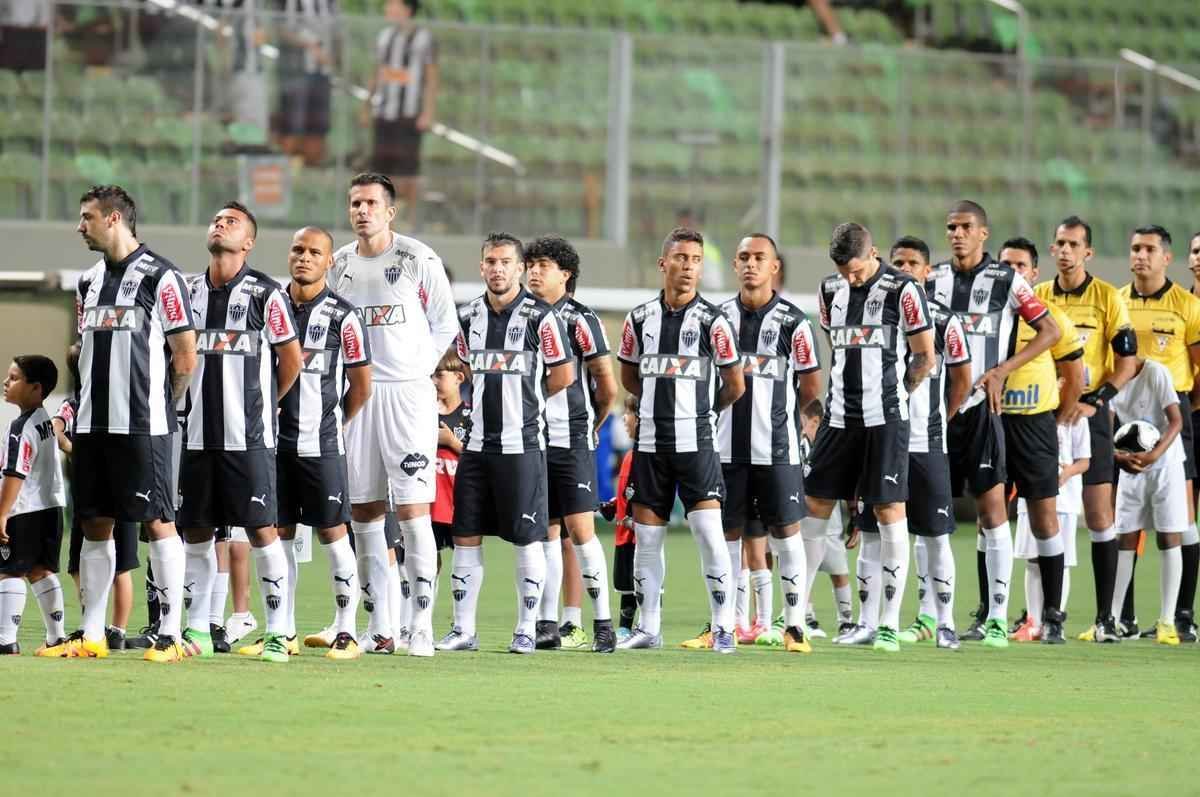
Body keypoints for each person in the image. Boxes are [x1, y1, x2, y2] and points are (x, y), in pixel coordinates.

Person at [55, 185, 198, 662]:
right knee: (95, 524)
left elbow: (184, 357)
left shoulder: (163, 278)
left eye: (87, 218)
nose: (80, 227)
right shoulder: (86, 282)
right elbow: (82, 353)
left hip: (145, 427)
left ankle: (171, 635)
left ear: (114, 218)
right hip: (95, 428)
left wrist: (163, 410)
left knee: (158, 523)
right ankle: (92, 634)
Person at [331, 172, 457, 656]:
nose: (361, 211)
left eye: (370, 204)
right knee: (363, 510)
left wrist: (414, 372)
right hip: (358, 397)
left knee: (412, 509)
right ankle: (381, 626)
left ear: (390, 211)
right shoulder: (339, 264)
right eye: (354, 203)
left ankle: (419, 624)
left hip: (405, 396)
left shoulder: (416, 258)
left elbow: (446, 324)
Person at [925, 201, 1060, 648]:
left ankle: (998, 618)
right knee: (931, 515)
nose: (957, 234)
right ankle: (933, 617)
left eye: (966, 227)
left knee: (992, 514)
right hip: (938, 412)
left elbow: (1050, 332)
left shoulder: (1007, 280)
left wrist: (1002, 369)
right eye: (951, 228)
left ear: (983, 234)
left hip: (982, 410)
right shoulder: (933, 281)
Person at [177, 201, 302, 664]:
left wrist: (265, 404)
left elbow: (291, 361)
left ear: (247, 242)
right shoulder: (187, 292)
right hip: (197, 436)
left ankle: (277, 632)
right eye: (215, 219)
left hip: (248, 438)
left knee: (262, 531)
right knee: (197, 533)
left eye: (230, 222)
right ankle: (199, 630)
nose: (219, 224)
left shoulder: (267, 295)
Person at [438, 233, 574, 654]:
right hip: (476, 448)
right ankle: (463, 630)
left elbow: (562, 375)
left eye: (505, 262)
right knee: (465, 536)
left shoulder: (541, 318)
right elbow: (467, 366)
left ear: (519, 269)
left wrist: (523, 404)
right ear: (482, 268)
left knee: (528, 539)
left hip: (523, 447)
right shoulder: (467, 317)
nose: (497, 269)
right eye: (490, 262)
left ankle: (526, 628)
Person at [802, 223, 934, 653]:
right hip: (839, 419)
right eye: (844, 272)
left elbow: (924, 356)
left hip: (885, 419)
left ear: (874, 253)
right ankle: (794, 618)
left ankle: (889, 624)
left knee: (889, 509)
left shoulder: (903, 291)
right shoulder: (828, 291)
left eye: (857, 271)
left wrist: (895, 395)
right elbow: (835, 348)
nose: (851, 279)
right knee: (814, 504)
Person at [616, 227, 745, 653]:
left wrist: (703, 414)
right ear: (663, 264)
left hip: (697, 444)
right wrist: (645, 407)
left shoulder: (714, 321)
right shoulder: (639, 319)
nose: (688, 267)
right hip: (650, 445)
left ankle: (724, 625)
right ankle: (649, 628)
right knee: (647, 540)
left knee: (709, 533)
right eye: (680, 258)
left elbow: (734, 385)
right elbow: (629, 375)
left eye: (695, 260)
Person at [705, 233, 819, 651]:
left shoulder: (794, 323)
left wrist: (777, 418)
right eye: (743, 258)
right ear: (734, 266)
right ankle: (729, 624)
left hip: (778, 449)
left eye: (759, 258)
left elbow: (810, 387)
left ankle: (793, 626)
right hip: (725, 449)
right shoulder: (716, 320)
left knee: (786, 533)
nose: (750, 264)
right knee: (728, 536)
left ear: (775, 267)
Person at [860, 236, 973, 650]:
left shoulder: (945, 321)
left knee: (935, 534)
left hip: (927, 440)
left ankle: (944, 622)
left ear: (928, 272)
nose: (904, 269)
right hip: (885, 438)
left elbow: (962, 378)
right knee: (873, 534)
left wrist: (943, 416)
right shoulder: (875, 315)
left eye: (912, 263)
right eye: (897, 262)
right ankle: (868, 622)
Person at [1035, 216, 1139, 644]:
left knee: (1098, 515)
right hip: (1042, 413)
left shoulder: (1108, 299)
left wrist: (1097, 400)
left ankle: (1104, 618)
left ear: (1088, 252)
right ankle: (1048, 616)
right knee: (1040, 515)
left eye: (1073, 244)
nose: (1064, 250)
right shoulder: (1038, 296)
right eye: (1059, 242)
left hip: (1090, 415)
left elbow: (1127, 362)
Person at [273, 226, 372, 660]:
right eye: (297, 249)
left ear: (330, 261)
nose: (304, 257)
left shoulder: (343, 317)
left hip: (322, 444)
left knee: (333, 533)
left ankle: (347, 632)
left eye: (315, 252)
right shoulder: (268, 307)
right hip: (273, 445)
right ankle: (284, 630)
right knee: (277, 536)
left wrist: (332, 421)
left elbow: (361, 386)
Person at [524, 235, 618, 653]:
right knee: (544, 532)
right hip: (531, 439)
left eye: (544, 264)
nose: (534, 271)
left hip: (571, 437)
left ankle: (601, 622)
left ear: (566, 274)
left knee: (581, 530)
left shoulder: (581, 319)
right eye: (531, 264)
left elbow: (606, 385)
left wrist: (589, 425)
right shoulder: (520, 316)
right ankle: (546, 623)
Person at [992, 238, 1084, 646]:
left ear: (1034, 274)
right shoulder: (987, 316)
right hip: (992, 423)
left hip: (1033, 425)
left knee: (1045, 518)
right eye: (1005, 266)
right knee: (989, 517)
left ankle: (1053, 614)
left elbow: (1074, 369)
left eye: (1020, 266)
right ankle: (989, 613)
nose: (1012, 273)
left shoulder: (1053, 319)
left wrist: (1062, 414)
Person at [1117, 225, 1200, 640]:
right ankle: (1123, 617)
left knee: (1180, 522)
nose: (1140, 256)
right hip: (1124, 413)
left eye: (1149, 249)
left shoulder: (1187, 305)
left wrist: (1187, 410)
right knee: (1127, 522)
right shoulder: (1115, 302)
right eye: (1135, 249)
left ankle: (1180, 616)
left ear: (1166, 258)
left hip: (1173, 414)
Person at [53, 344, 139, 651]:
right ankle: (93, 620)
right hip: (89, 488)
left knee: (121, 566)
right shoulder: (75, 402)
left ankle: (116, 628)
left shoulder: (123, 395)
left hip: (119, 486)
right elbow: (56, 427)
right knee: (79, 563)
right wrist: (76, 451)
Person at [1109, 357, 1188, 645]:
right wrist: (1117, 456)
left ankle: (1167, 621)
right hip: (1131, 464)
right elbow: (1106, 425)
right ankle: (1112, 620)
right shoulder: (1110, 375)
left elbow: (1176, 420)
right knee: (1124, 539)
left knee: (1169, 538)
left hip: (1166, 465)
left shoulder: (1155, 372)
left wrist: (1154, 456)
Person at [0, 356, 66, 655]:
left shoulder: (21, 426)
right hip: (51, 509)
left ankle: (6, 640)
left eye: (14, 378)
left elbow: (16, 472)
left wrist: (2, 514)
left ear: (35, 388)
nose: (6, 382)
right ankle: (56, 637)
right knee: (41, 570)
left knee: (9, 572)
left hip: (23, 510)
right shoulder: (45, 422)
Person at [1011, 408, 1089, 641]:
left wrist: (1067, 473)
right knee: (1033, 559)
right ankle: (1033, 621)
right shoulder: (1030, 411)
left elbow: (1085, 461)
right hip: (1032, 491)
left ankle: (1054, 620)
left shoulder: (1077, 416)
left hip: (1065, 498)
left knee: (1060, 561)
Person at [367, 0, 438, 230]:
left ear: (407, 9)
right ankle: (387, 222)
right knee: (382, 171)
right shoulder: (384, 36)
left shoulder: (423, 38)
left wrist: (427, 111)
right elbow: (377, 72)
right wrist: (368, 104)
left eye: (392, 4)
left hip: (409, 114)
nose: (388, 9)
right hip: (384, 112)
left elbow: (431, 76)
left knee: (409, 171)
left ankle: (412, 220)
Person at [275, 0, 338, 166]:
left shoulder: (330, 4)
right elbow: (281, 29)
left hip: (323, 72)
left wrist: (334, 58)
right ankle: (286, 171)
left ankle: (310, 175)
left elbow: (337, 31)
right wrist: (310, 46)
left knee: (317, 129)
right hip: (295, 72)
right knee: (291, 126)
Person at [597, 395, 640, 641]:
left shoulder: (646, 458)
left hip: (639, 534)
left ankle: (647, 623)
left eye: (630, 413)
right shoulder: (629, 457)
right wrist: (615, 505)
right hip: (623, 534)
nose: (624, 418)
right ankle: (625, 626)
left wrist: (634, 518)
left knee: (642, 578)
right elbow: (626, 491)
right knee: (624, 582)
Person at [432, 351, 469, 556]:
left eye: (439, 375)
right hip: (431, 503)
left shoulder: (471, 415)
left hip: (459, 502)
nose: (433, 381)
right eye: (431, 376)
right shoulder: (424, 413)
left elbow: (478, 456)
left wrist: (451, 442)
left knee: (465, 557)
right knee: (427, 559)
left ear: (458, 377)